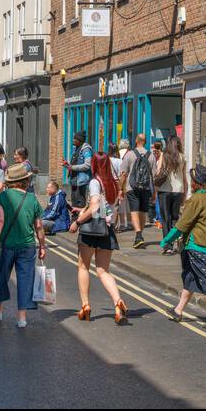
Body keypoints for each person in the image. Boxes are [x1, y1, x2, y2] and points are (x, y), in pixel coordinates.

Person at [68, 150, 128, 324]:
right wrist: (83, 209)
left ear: (94, 165)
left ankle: (85, 305)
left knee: (83, 267)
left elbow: (95, 208)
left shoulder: (95, 182)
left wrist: (78, 222)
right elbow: (105, 208)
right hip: (106, 230)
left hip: (90, 230)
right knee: (103, 270)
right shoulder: (114, 184)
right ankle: (118, 301)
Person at [161, 164, 206, 327]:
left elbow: (182, 225)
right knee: (190, 278)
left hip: (197, 246)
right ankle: (178, 310)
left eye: (191, 180)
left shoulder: (196, 200)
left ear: (196, 183)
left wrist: (166, 240)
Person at [0, 162, 46, 328]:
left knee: (1, 276)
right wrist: (42, 246)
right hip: (28, 245)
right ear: (25, 180)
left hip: (7, 244)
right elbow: (39, 227)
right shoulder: (32, 199)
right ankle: (22, 318)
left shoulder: (3, 197)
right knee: (25, 280)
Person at [155, 135, 186, 255]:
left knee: (165, 219)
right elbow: (184, 178)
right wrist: (184, 194)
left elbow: (158, 172)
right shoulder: (182, 157)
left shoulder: (164, 155)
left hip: (164, 190)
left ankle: (168, 246)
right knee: (175, 218)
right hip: (178, 191)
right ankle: (176, 242)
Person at [64, 131, 94, 208]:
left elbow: (87, 165)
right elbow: (75, 162)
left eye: (75, 139)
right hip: (74, 179)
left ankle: (80, 218)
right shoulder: (75, 148)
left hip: (81, 180)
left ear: (79, 140)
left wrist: (72, 167)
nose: (73, 140)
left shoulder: (86, 150)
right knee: (74, 200)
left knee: (80, 201)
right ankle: (75, 218)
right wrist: (67, 165)